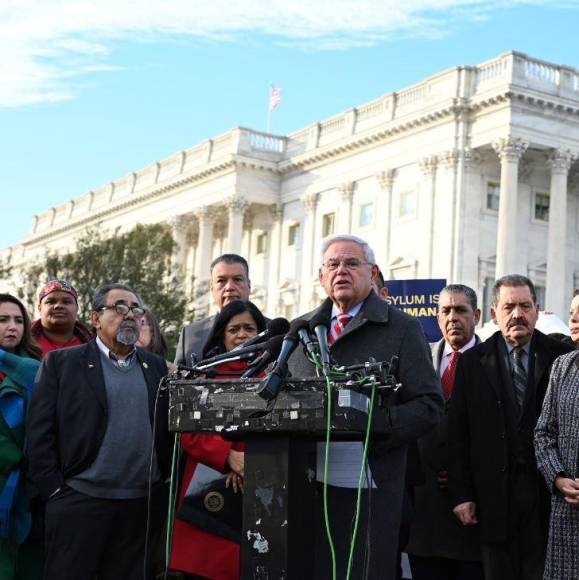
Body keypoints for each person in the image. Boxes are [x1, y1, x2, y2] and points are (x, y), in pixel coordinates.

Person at [288, 234, 443, 580]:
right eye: (333, 264)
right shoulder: (301, 332)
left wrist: (374, 424)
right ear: (321, 276)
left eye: (351, 263)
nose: (341, 270)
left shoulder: (402, 329)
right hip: (305, 488)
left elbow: (430, 406)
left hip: (371, 491)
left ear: (372, 274)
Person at [26, 283, 171, 580]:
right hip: (78, 503)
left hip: (139, 508)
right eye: (119, 307)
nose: (129, 314)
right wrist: (54, 491)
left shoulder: (156, 366)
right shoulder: (62, 364)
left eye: (135, 309)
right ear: (95, 318)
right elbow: (39, 433)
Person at [448, 274, 573, 580]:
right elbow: (458, 434)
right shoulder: (472, 362)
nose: (517, 314)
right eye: (509, 307)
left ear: (536, 308)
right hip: (491, 498)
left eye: (525, 306)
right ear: (494, 313)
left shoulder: (560, 357)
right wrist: (462, 494)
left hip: (548, 497)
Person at [170, 300, 267, 580]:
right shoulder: (204, 374)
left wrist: (249, 462)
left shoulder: (275, 377)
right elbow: (188, 431)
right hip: (208, 485)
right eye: (233, 329)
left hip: (259, 487)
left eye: (249, 328)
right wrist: (228, 456)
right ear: (221, 336)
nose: (241, 335)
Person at [407, 284, 484, 580]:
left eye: (461, 310)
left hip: (473, 515)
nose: (452, 317)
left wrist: (464, 476)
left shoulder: (494, 361)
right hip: (425, 516)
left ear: (476, 315)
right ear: (437, 317)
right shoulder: (418, 359)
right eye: (445, 311)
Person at [0, 294, 42, 579]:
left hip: (32, 488)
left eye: (18, 320)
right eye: (2, 320)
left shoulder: (38, 368)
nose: (11, 326)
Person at [534, 347, 579, 580]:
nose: (574, 320)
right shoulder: (563, 365)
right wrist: (557, 477)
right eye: (572, 313)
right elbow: (543, 433)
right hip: (566, 514)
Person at [175, 255, 252, 367]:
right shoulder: (189, 336)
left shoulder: (275, 332)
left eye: (237, 280)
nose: (229, 287)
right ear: (212, 288)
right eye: (221, 280)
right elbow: (177, 381)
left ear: (249, 285)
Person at [31, 279, 93, 355]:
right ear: (40, 308)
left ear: (77, 308)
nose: (58, 306)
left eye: (66, 302)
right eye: (50, 302)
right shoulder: (22, 340)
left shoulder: (95, 344)